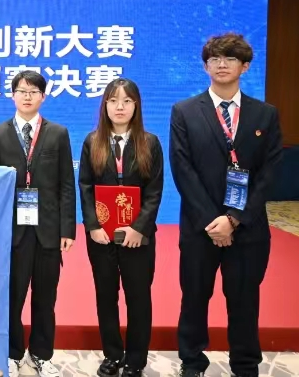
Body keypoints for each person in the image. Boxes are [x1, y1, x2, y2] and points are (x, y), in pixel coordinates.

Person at [170, 33, 282, 377]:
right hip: (200, 228)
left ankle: (245, 366)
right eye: (214, 59)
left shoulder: (265, 114)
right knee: (194, 298)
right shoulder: (184, 111)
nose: (221, 64)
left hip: (248, 229)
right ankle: (192, 363)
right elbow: (182, 169)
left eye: (230, 58)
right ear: (205, 66)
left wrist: (233, 219)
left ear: (244, 66)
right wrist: (213, 221)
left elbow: (268, 173)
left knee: (244, 301)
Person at [0, 70, 76, 377]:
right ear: (13, 95)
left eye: (33, 92)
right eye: (22, 91)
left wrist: (67, 229)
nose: (27, 96)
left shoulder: (58, 133)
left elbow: (66, 183)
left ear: (43, 97)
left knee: (45, 298)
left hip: (48, 230)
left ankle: (41, 354)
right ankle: (12, 353)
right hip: (12, 232)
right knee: (12, 298)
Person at [78, 78, 164, 377]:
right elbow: (85, 187)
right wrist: (92, 226)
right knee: (106, 296)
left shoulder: (149, 142)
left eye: (127, 101)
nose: (120, 107)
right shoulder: (92, 141)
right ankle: (113, 355)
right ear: (105, 105)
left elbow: (154, 191)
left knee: (138, 297)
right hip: (101, 236)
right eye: (113, 100)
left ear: (136, 106)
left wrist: (139, 228)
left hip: (138, 237)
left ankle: (136, 360)